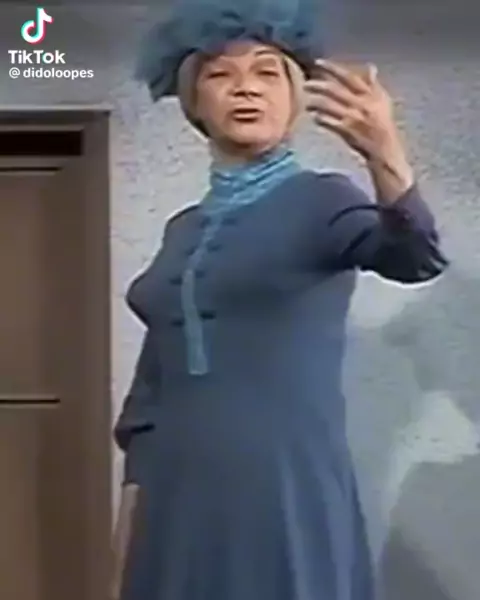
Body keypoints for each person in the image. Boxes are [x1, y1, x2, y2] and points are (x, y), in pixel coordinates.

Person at [112, 1, 449, 599]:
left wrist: (384, 151)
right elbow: (148, 395)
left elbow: (415, 256)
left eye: (267, 73)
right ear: (195, 105)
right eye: (221, 74)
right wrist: (128, 529)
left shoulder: (322, 199)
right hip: (174, 489)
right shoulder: (181, 229)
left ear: (294, 99)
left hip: (282, 481)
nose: (245, 88)